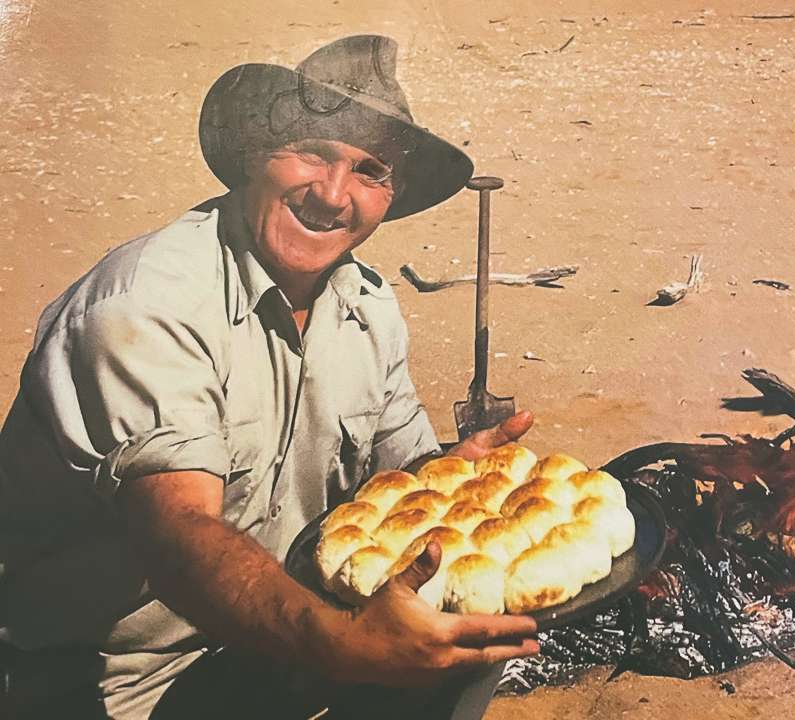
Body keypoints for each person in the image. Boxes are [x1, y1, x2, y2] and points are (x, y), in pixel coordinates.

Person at [0, 35, 540, 719]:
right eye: (313, 152)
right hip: (108, 684)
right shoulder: (149, 305)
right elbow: (179, 536)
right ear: (255, 153)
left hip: (274, 647)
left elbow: (400, 489)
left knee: (460, 645)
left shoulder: (368, 310)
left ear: (391, 195)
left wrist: (450, 478)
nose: (333, 195)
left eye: (370, 170)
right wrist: (342, 642)